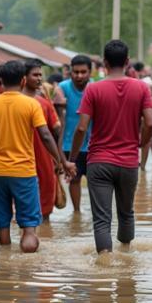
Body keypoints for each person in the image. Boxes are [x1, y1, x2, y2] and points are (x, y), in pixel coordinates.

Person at [0, 60, 72, 253]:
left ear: (0, 81)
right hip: (24, 171)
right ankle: (27, 269)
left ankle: (4, 265)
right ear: (23, 80)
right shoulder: (31, 104)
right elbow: (46, 135)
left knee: (3, 224)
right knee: (29, 227)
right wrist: (58, 160)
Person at [68, 40, 152, 254]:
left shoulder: (93, 89)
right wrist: (140, 143)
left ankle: (105, 264)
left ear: (104, 63)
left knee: (101, 220)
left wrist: (72, 158)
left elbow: (81, 128)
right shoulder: (141, 87)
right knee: (126, 213)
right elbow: (151, 123)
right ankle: (126, 254)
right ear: (127, 61)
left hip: (99, 162)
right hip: (128, 162)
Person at [23, 59, 64, 222]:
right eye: (35, 75)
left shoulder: (45, 102)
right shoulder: (42, 103)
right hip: (32, 157)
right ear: (24, 77)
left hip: (41, 157)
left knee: (35, 204)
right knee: (44, 206)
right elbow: (56, 130)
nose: (39, 78)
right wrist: (59, 160)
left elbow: (55, 131)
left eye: (41, 75)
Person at [58, 54, 93, 212]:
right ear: (70, 72)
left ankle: (96, 214)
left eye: (83, 72)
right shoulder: (62, 88)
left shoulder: (95, 88)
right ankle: (77, 212)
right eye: (76, 72)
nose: (79, 76)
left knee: (96, 182)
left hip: (93, 144)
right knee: (75, 180)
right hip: (69, 144)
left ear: (90, 72)